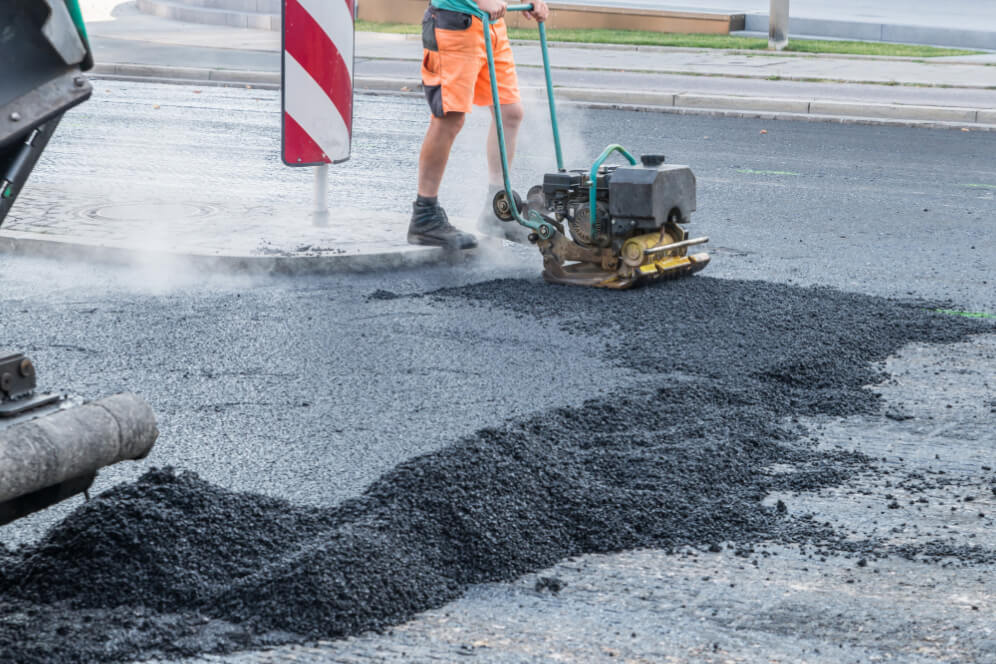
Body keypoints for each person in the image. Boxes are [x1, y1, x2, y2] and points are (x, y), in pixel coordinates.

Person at [408, 0, 550, 249]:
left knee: (510, 112)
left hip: (491, 25)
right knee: (449, 118)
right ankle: (424, 214)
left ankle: (496, 208)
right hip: (455, 24)